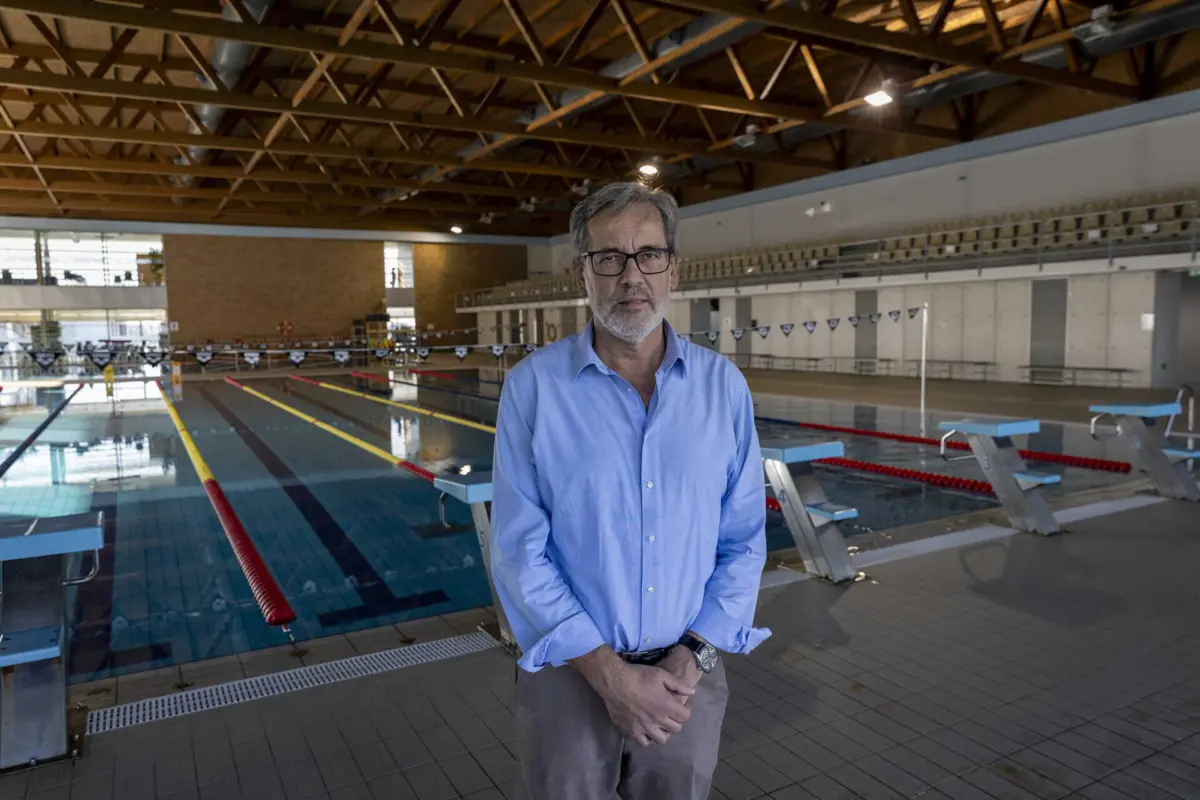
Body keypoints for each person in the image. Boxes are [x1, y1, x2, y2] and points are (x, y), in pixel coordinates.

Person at [491, 181, 770, 799]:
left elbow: (744, 539)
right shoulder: (534, 389)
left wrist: (689, 657)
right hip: (570, 676)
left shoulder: (722, 389)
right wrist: (609, 676)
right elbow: (518, 550)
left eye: (649, 255)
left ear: (674, 267)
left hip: (685, 682)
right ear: (581, 272)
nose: (631, 276)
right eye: (609, 258)